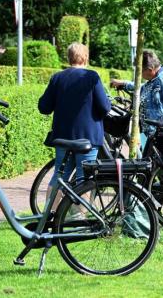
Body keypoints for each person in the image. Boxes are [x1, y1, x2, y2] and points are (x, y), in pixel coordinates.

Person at [111, 51, 163, 224]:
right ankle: (143, 215)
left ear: (150, 69)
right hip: (153, 134)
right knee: (147, 174)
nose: (139, 74)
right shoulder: (153, 80)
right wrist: (123, 84)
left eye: (140, 71)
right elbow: (141, 89)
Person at [38, 42, 111, 208]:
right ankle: (80, 218)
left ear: (68, 57)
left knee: (59, 175)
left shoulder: (57, 78)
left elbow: (44, 107)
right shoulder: (91, 77)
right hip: (87, 137)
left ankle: (50, 215)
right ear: (85, 57)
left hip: (63, 137)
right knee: (84, 178)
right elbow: (105, 107)